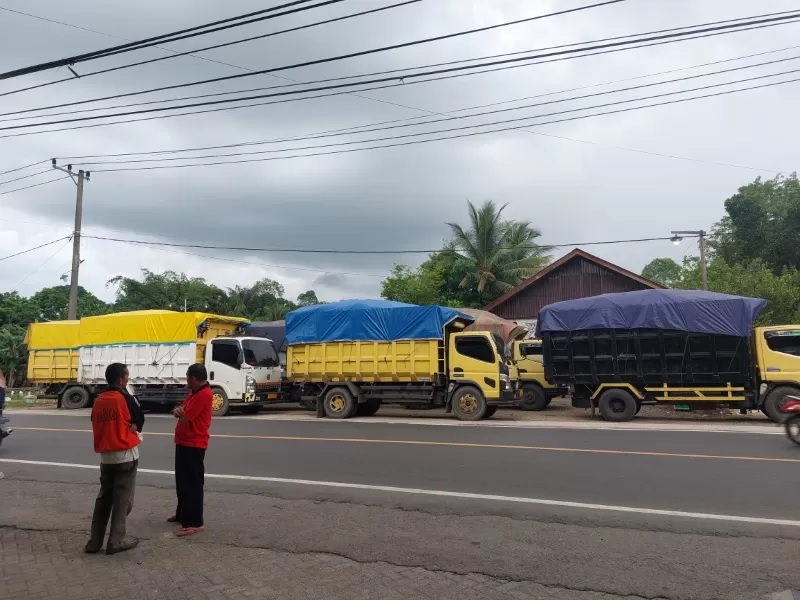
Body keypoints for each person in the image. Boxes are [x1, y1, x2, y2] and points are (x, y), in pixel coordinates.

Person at [86, 363, 144, 554]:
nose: (128, 380)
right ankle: (116, 541)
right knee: (123, 502)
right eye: (126, 377)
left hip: (106, 458)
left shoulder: (99, 399)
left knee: (103, 500)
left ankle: (94, 542)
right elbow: (140, 419)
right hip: (125, 456)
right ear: (121, 380)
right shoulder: (125, 398)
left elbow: (94, 419)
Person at [169, 363, 213, 537]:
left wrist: (180, 411)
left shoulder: (204, 394)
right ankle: (183, 514)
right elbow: (179, 409)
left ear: (194, 378)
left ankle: (195, 522)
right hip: (184, 441)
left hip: (194, 443)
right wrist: (178, 410)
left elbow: (187, 417)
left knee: (193, 484)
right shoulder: (194, 393)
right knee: (182, 481)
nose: (187, 382)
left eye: (188, 378)